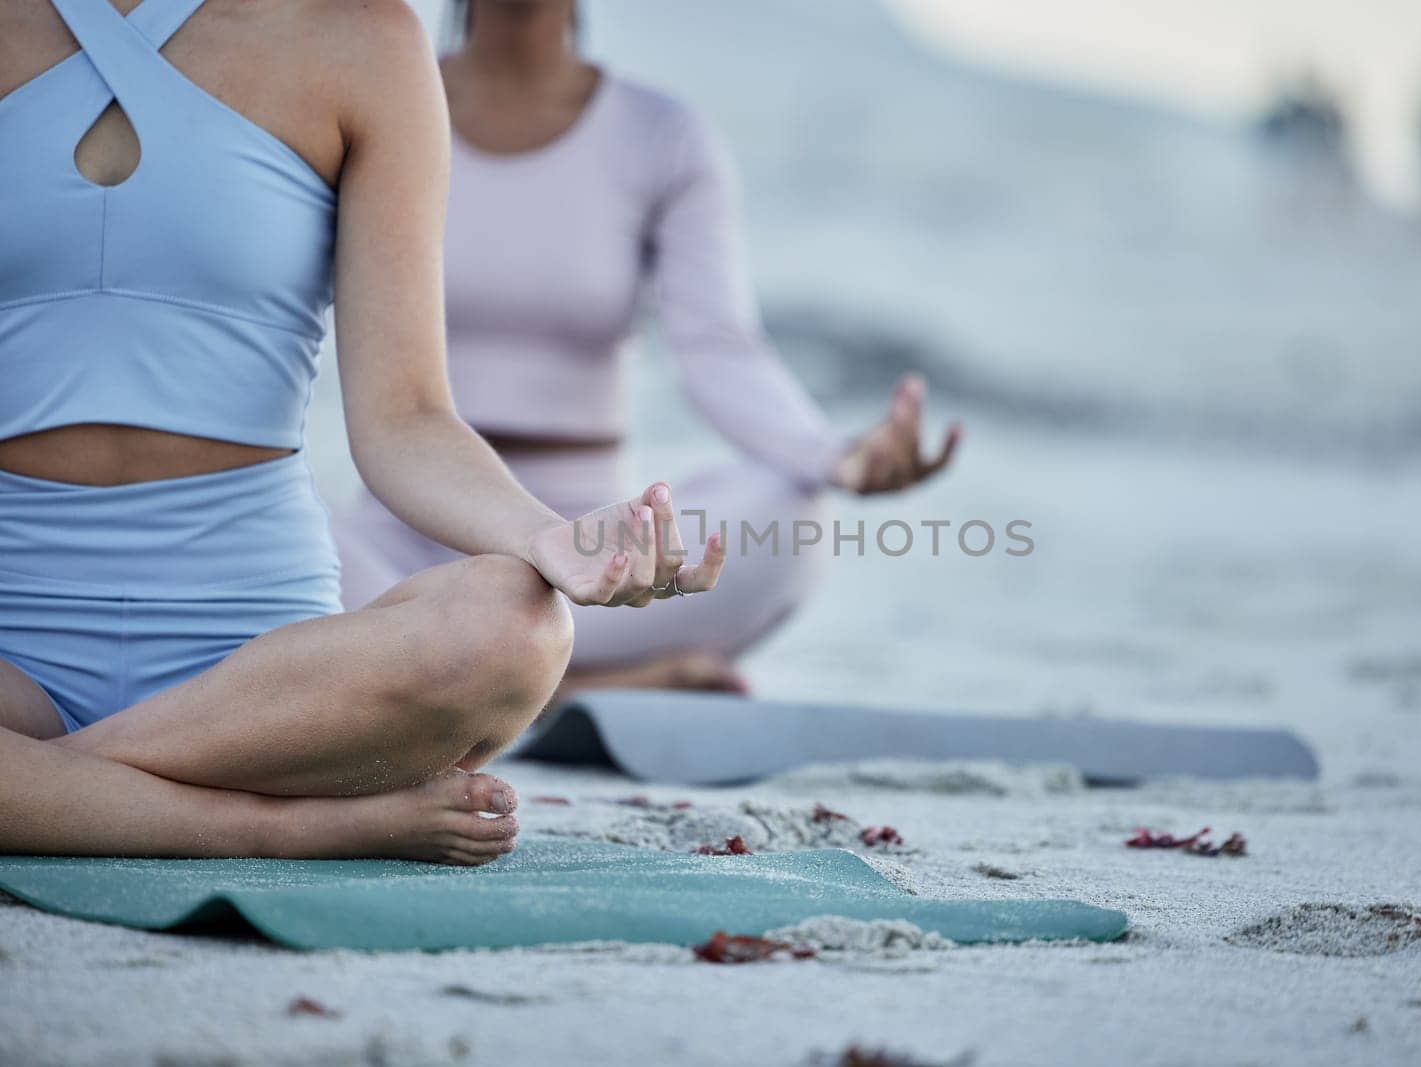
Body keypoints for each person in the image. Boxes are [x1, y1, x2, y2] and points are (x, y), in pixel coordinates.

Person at [0, 0, 722, 864]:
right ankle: (273, 827)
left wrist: (550, 540)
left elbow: (407, 420)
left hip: (261, 676)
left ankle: (49, 794)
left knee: (517, 625)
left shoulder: (364, 39)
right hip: (14, 644)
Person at [334, 0, 961, 697]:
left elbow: (717, 346)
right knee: (267, 530)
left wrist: (831, 454)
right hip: (403, 551)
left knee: (796, 516)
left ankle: (497, 680)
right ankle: (572, 689)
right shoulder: (374, 107)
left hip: (602, 563)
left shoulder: (661, 136)